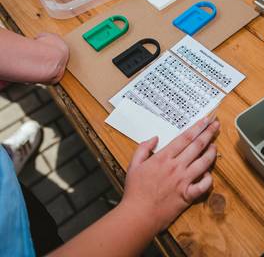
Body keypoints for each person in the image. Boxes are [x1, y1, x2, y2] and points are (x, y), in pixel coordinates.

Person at [0, 27, 219, 257]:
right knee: (39, 239)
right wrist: (144, 209)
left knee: (33, 221)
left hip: (13, 203)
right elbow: (48, 62)